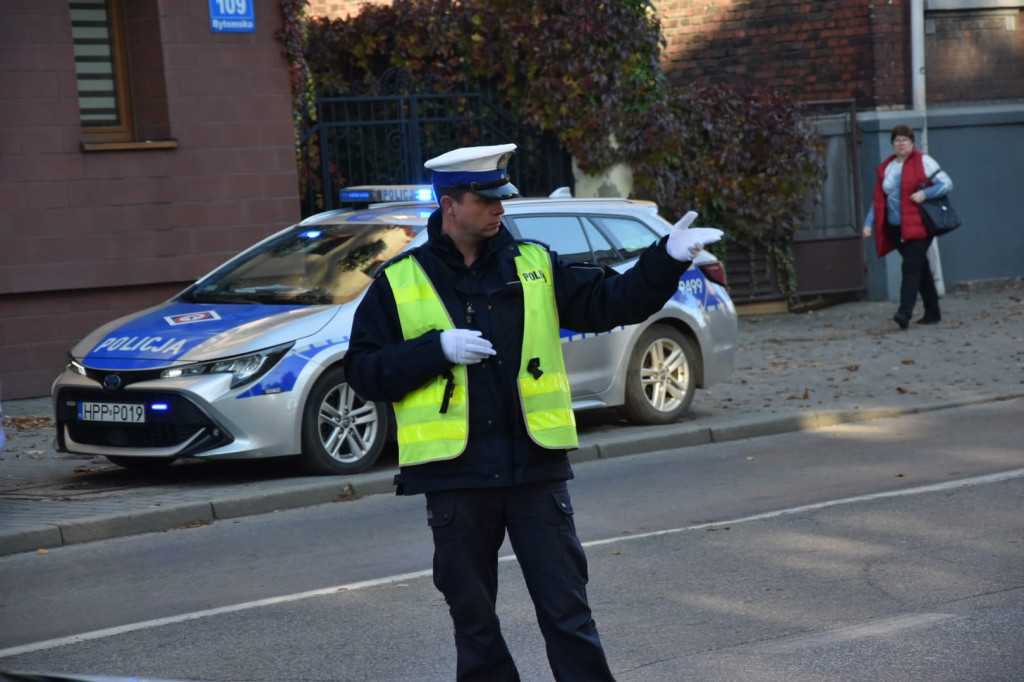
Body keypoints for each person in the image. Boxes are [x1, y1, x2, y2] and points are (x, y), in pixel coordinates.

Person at [342, 143, 722, 681]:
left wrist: (666, 258)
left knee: (569, 616)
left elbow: (610, 301)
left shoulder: (534, 264)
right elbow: (362, 371)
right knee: (475, 626)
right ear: (450, 204)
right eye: (486, 199)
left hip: (534, 472)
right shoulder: (399, 281)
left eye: (503, 197)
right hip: (457, 476)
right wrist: (435, 349)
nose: (500, 208)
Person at [862, 124, 953, 329]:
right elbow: (879, 200)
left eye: (905, 140)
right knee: (919, 268)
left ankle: (904, 313)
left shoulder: (924, 161)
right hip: (896, 229)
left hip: (920, 226)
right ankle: (933, 312)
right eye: (897, 140)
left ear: (912, 143)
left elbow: (947, 183)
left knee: (910, 266)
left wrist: (924, 194)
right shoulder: (888, 167)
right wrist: (868, 224)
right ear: (892, 144)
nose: (901, 143)